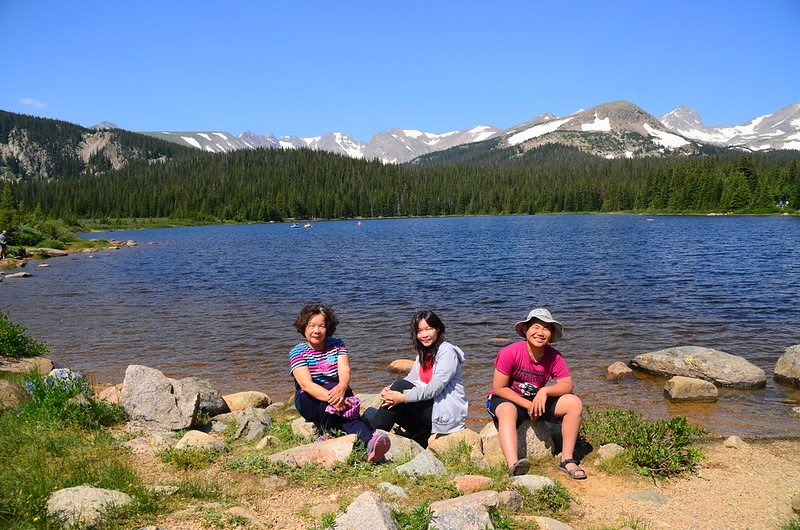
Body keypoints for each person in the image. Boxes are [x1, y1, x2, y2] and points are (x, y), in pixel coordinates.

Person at [486, 308, 587, 479]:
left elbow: (567, 384)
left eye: (546, 328)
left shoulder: (554, 357)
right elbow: (499, 388)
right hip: (507, 399)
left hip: (535, 401)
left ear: (551, 334)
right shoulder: (509, 352)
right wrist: (527, 404)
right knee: (507, 411)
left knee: (573, 403)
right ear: (525, 330)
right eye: (536, 327)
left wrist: (545, 391)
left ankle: (567, 459)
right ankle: (514, 466)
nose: (540, 332)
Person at [289, 303, 390, 463]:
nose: (317, 330)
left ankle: (370, 444)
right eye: (312, 325)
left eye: (321, 326)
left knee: (349, 417)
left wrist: (343, 388)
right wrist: (334, 399)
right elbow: (306, 384)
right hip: (309, 400)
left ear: (328, 328)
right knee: (332, 397)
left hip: (339, 394)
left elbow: (344, 370)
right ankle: (325, 433)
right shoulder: (297, 352)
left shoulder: (337, 344)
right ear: (303, 327)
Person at [370, 310, 467, 448]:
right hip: (429, 412)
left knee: (399, 389)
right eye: (420, 331)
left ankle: (372, 436)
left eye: (429, 329)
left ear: (438, 328)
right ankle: (417, 434)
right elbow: (411, 379)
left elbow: (433, 389)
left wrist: (402, 397)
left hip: (444, 414)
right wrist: (389, 390)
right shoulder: (424, 354)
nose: (424, 335)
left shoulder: (447, 352)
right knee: (396, 389)